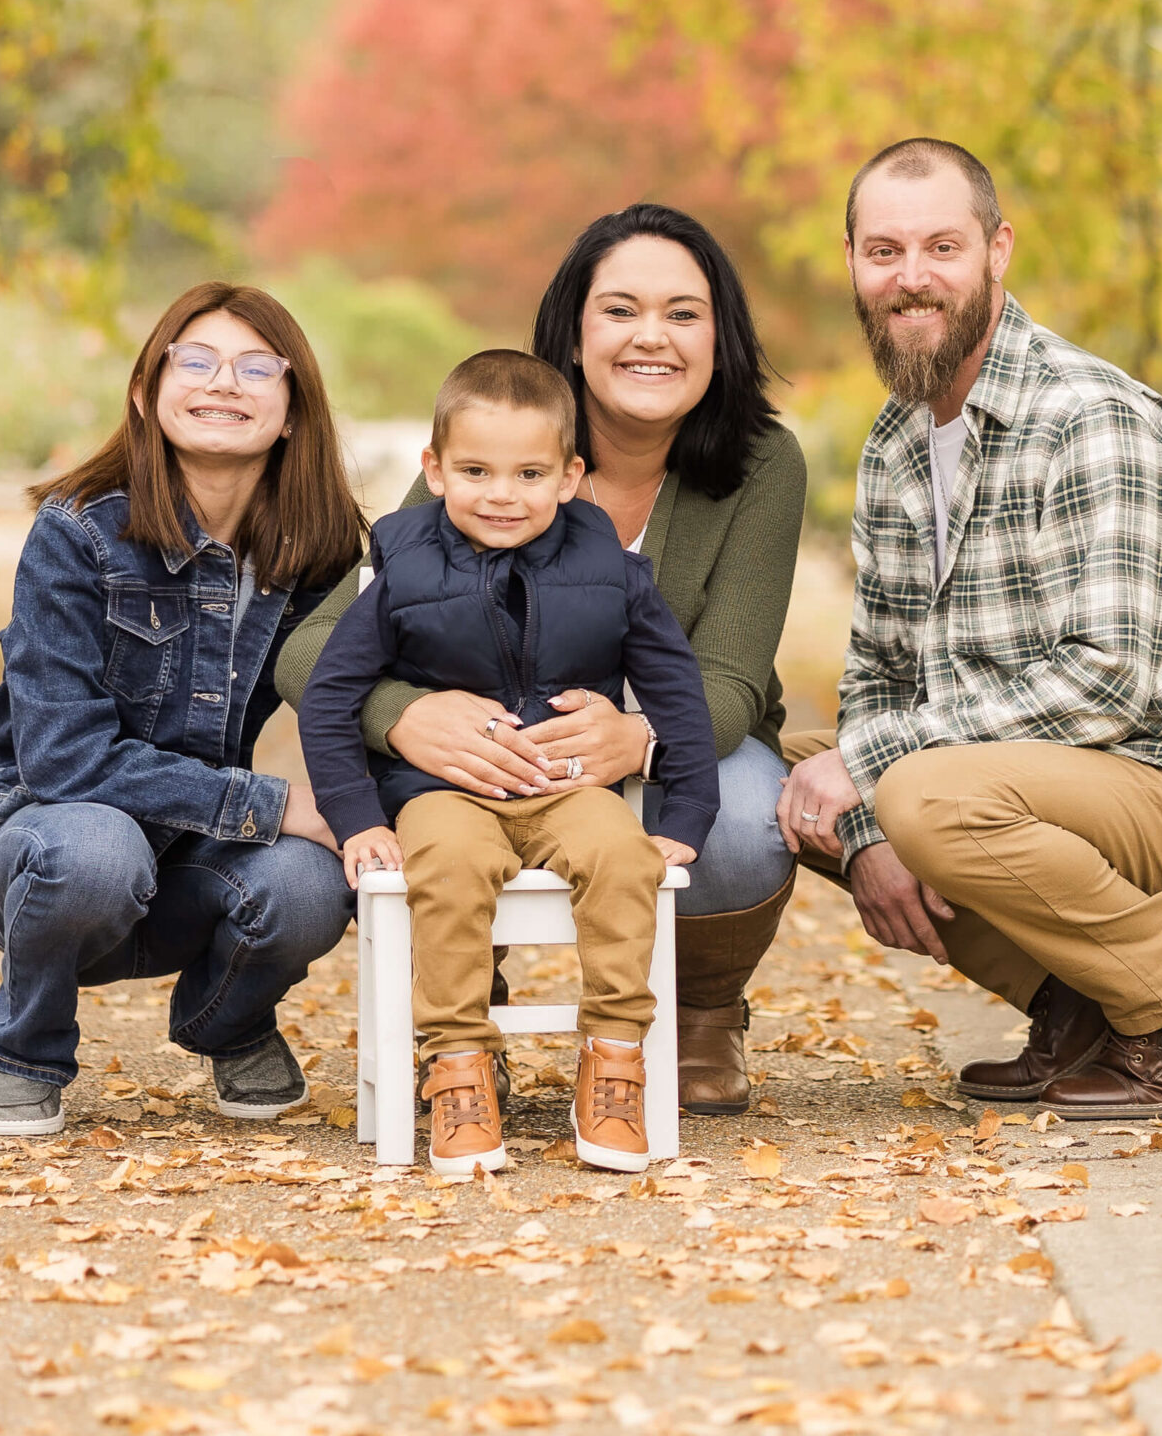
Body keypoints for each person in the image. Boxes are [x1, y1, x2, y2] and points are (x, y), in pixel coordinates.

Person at [776, 139, 1162, 1121]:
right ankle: (1080, 1002)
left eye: (942, 245)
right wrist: (862, 835)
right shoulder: (896, 444)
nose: (912, 277)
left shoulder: (1089, 416)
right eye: (884, 250)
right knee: (783, 775)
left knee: (916, 787)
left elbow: (1106, 682)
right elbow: (880, 678)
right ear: (850, 258)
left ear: (996, 251)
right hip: (1030, 785)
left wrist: (877, 773)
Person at [279, 205, 804, 1114]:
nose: (652, 337)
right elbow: (316, 649)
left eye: (684, 313)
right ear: (573, 328)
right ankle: (465, 1016)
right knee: (434, 808)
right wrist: (403, 713)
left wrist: (639, 741)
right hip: (480, 759)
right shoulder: (493, 449)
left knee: (751, 813)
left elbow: (731, 678)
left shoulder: (764, 463)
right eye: (620, 310)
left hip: (658, 745)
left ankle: (704, 1011)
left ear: (722, 336)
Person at [0, 283, 362, 1137]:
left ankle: (229, 1021)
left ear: (291, 412)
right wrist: (277, 803)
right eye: (197, 361)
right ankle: (25, 1049)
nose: (225, 384)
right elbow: (64, 759)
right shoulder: (76, 533)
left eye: (257, 367)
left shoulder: (320, 548)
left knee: (312, 883)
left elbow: (366, 684)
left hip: (193, 862)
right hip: (45, 849)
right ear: (146, 391)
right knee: (98, 847)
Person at [300, 350, 720, 1176]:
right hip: (442, 792)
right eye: (476, 471)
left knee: (619, 859)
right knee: (449, 871)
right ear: (434, 470)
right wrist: (357, 819)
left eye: (529, 473)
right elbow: (329, 696)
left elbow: (676, 691)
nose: (502, 493)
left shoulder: (614, 573)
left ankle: (613, 1058)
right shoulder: (402, 572)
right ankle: (457, 1067)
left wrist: (686, 816)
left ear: (569, 477)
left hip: (568, 787)